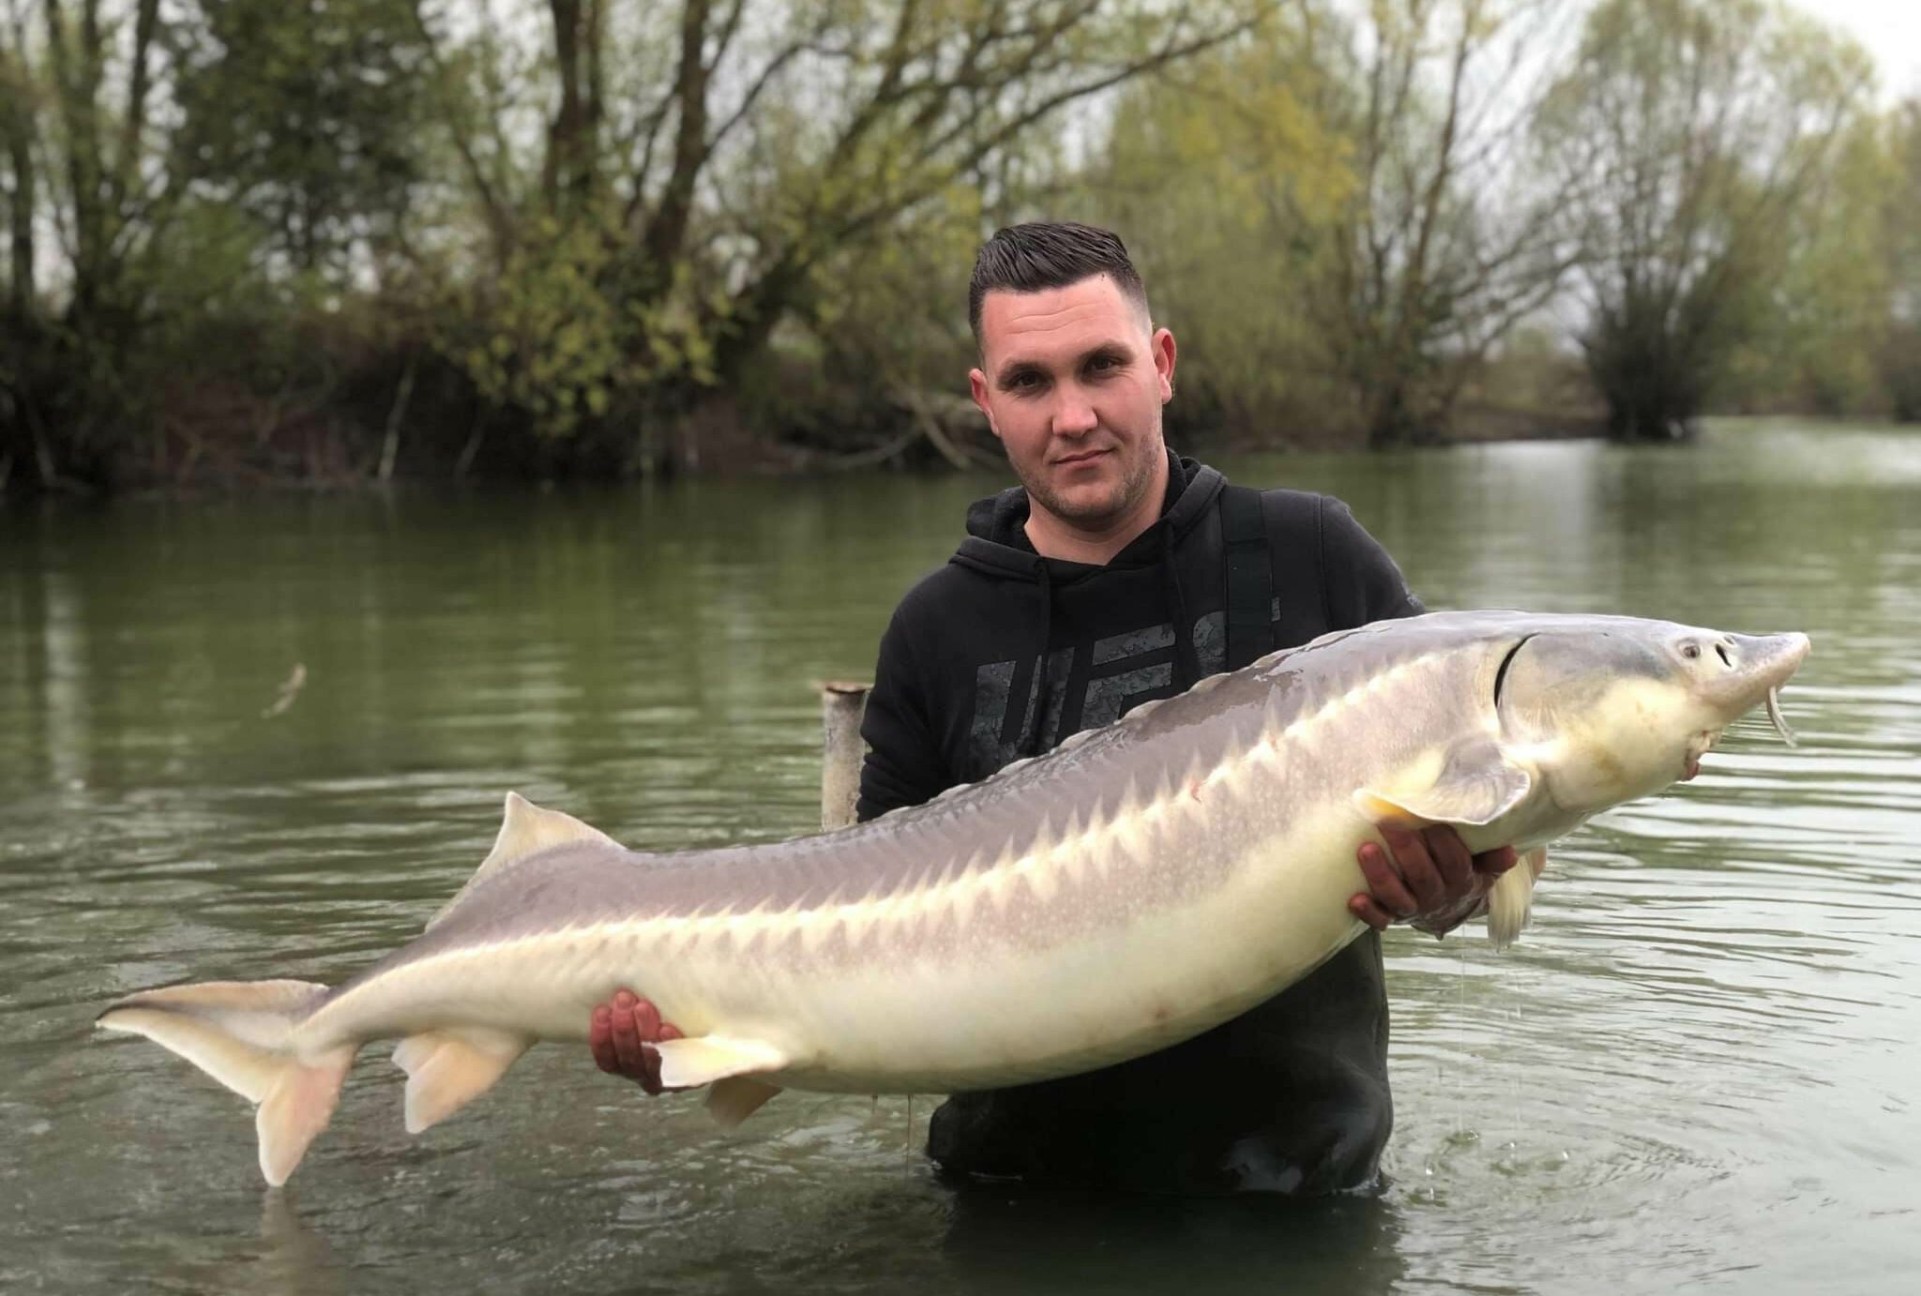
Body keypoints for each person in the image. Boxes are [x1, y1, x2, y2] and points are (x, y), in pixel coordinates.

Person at [588, 221, 1516, 1195]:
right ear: (985, 401)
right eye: (1031, 381)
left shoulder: (1309, 559)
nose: (1072, 416)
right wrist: (700, 1036)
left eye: (1100, 367)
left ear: (1159, 365)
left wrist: (1455, 890)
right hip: (1008, 1201)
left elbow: (1486, 855)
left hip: (1297, 1196)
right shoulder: (934, 631)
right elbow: (866, 946)